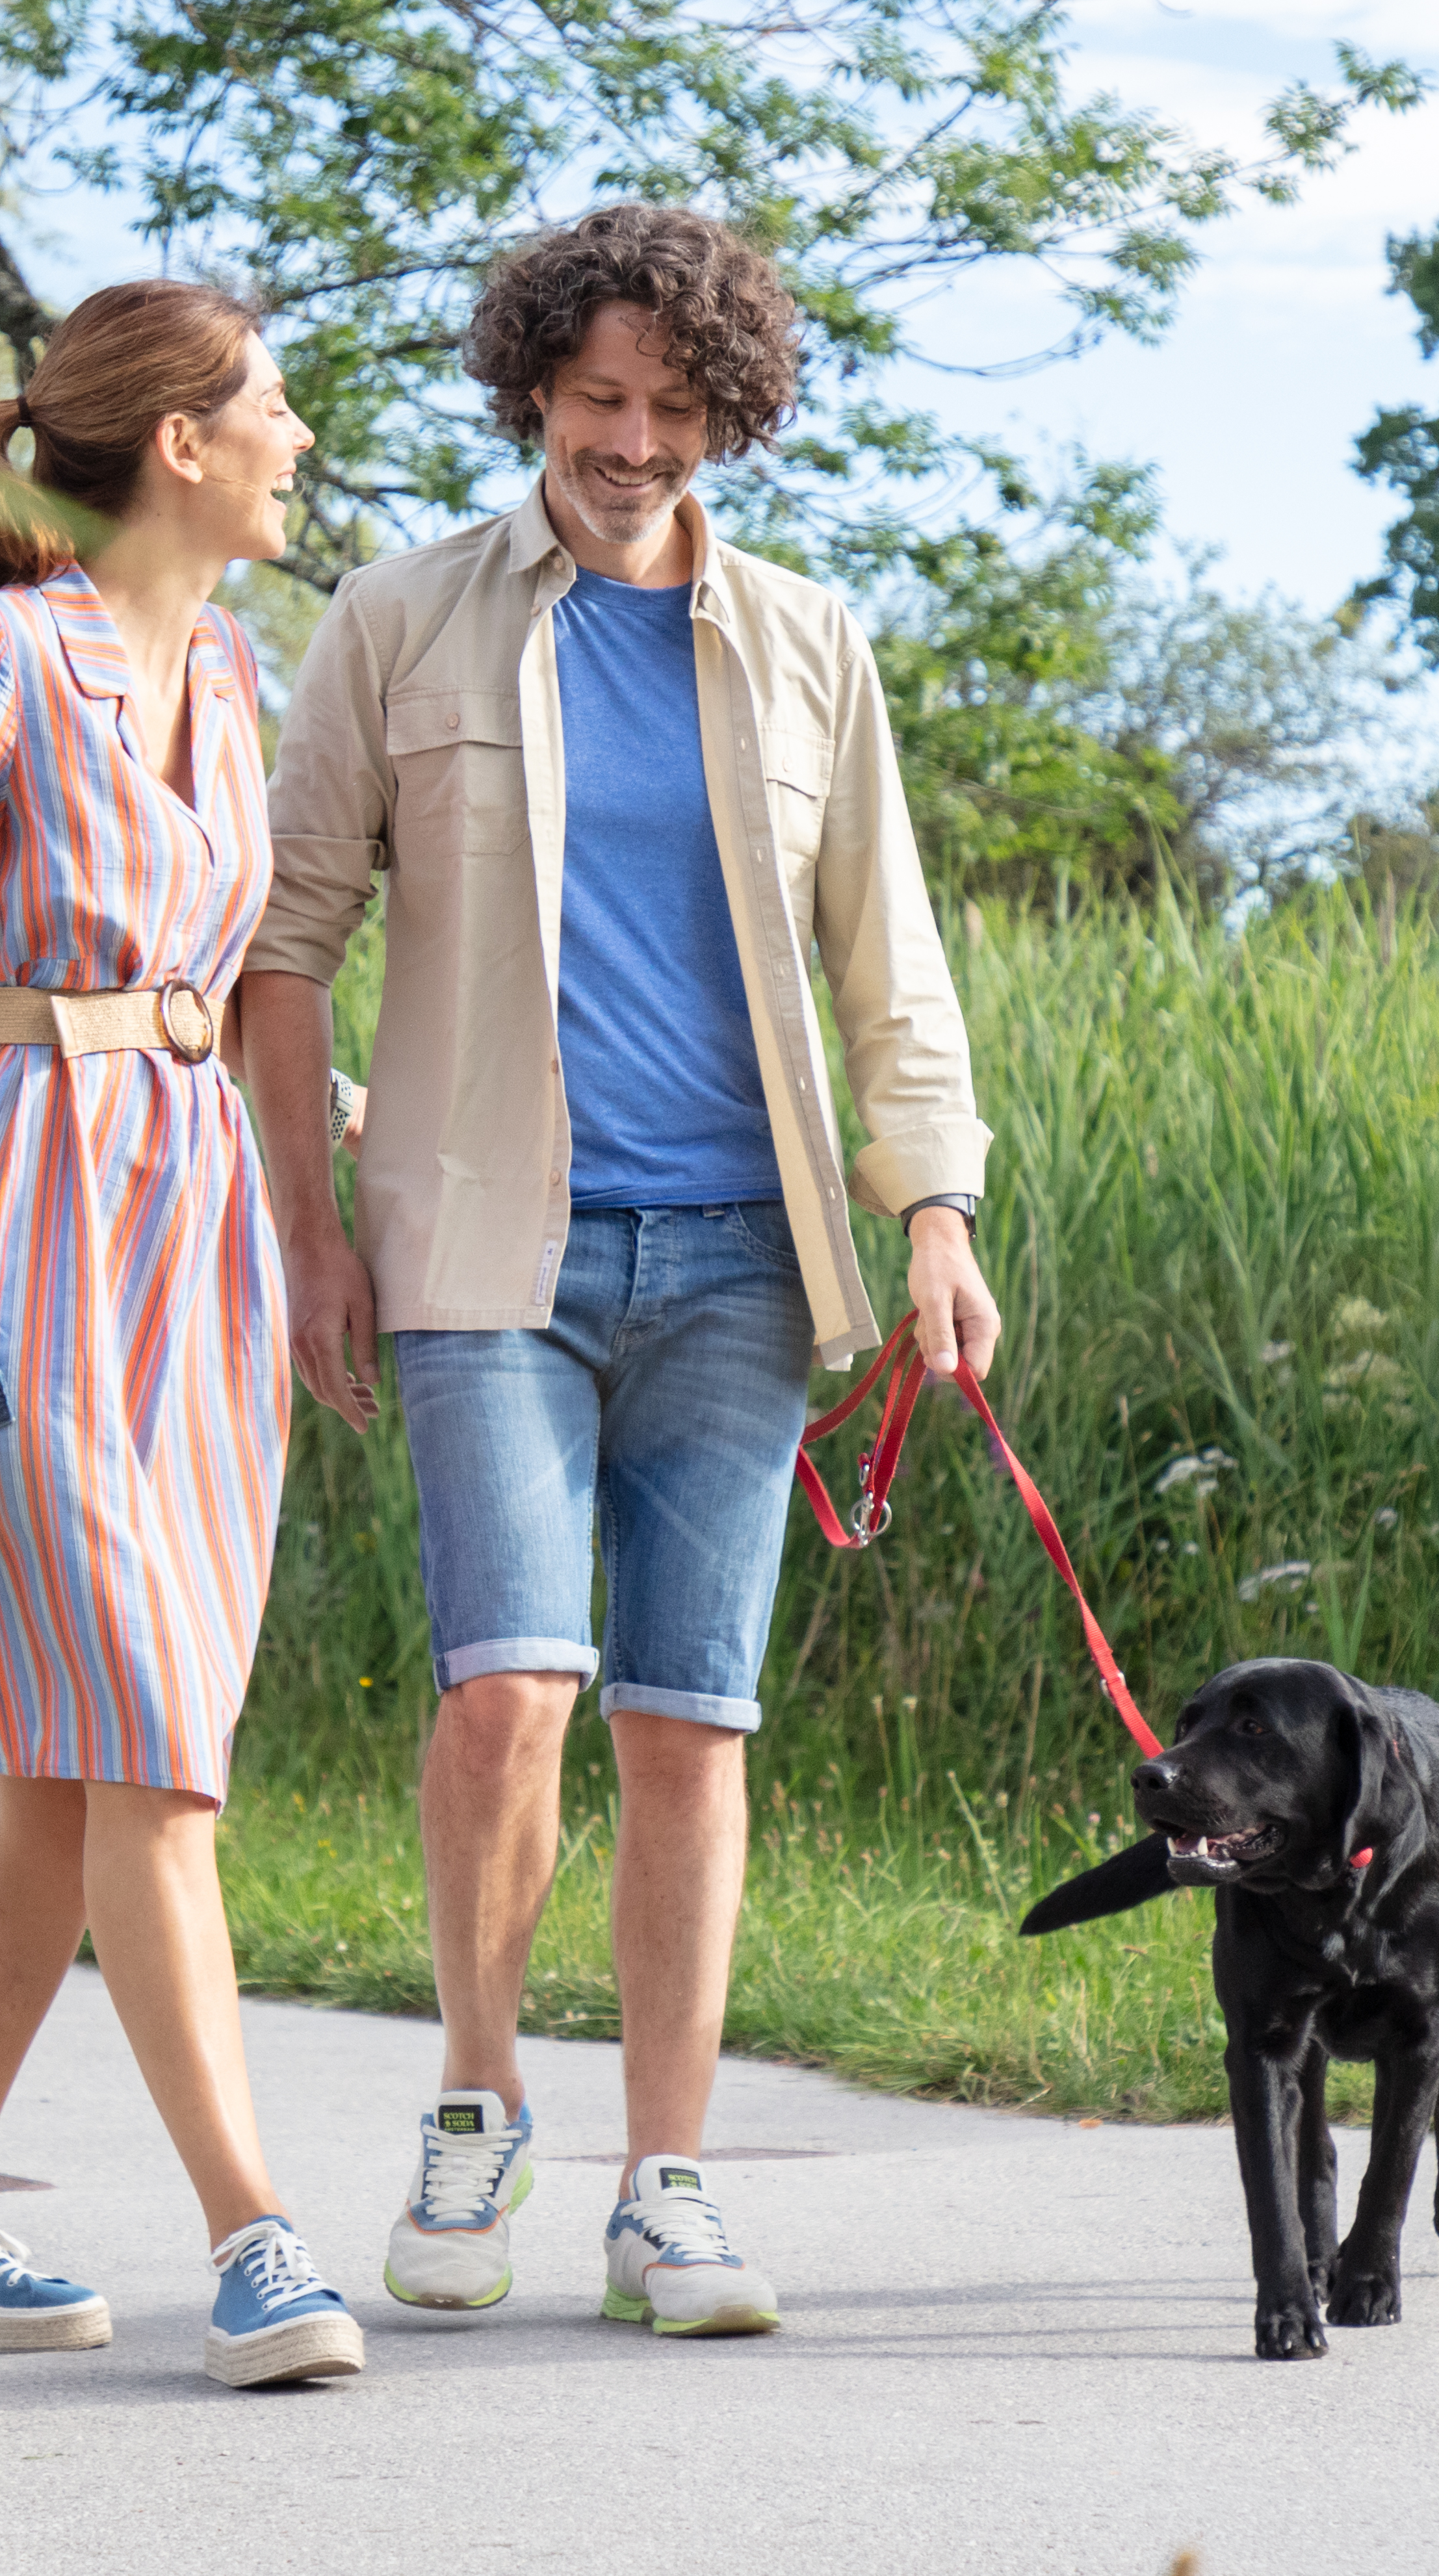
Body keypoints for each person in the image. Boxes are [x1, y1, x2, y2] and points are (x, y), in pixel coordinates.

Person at [243, 201, 1000, 2338]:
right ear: (534, 395)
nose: (636, 442)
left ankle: (670, 2186)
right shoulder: (400, 623)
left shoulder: (809, 645)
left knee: (692, 1722)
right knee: (510, 1691)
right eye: (599, 402)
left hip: (751, 1260)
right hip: (487, 1249)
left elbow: (893, 969)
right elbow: (282, 951)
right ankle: (478, 2108)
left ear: (730, 417)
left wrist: (931, 1211)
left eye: (679, 409)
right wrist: (308, 1231)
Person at [0, 278, 366, 2392]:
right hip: (16, 1218)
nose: (303, 435)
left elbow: (234, 988)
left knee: (64, 1774)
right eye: (275, 404)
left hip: (197, 1237)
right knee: (148, 1752)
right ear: (182, 444)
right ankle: (260, 2240)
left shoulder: (235, 670)